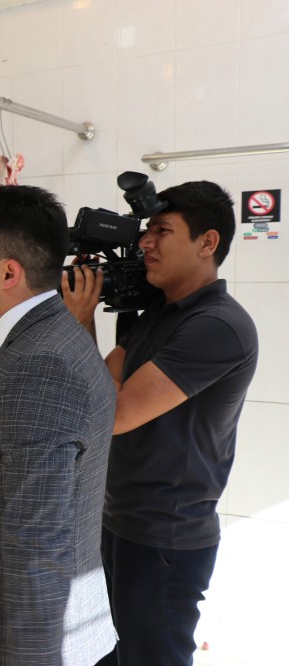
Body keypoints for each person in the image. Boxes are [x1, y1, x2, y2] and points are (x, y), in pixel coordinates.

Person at [63, 180, 258, 666]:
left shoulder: (218, 326)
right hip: (121, 521)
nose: (146, 242)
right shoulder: (157, 316)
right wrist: (83, 319)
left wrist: (83, 318)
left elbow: (114, 413)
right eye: (147, 230)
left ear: (207, 243)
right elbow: (100, 383)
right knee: (105, 655)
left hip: (164, 540)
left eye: (162, 231)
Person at [0, 185, 117, 666]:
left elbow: (39, 543)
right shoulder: (52, 337)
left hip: (19, 648)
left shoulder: (41, 362)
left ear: (8, 273)